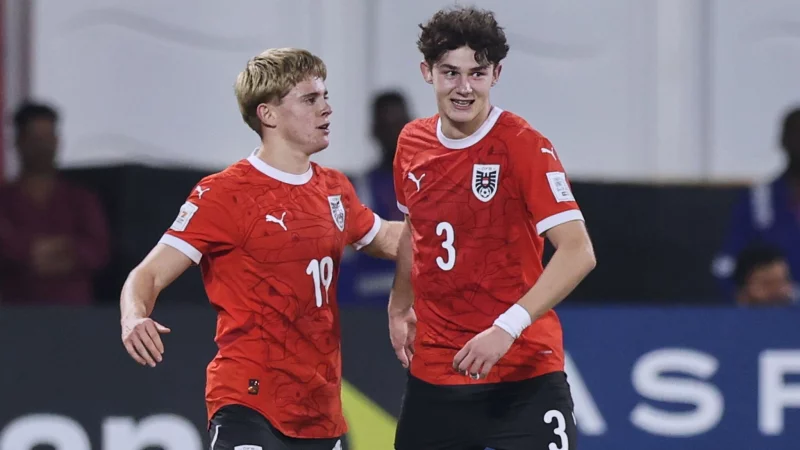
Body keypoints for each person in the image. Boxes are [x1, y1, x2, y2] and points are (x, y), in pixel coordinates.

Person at [119, 48, 402, 450]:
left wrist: (460, 231)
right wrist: (133, 317)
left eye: (325, 97)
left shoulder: (335, 188)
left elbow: (388, 238)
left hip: (320, 410)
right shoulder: (224, 193)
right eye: (310, 99)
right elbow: (147, 274)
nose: (326, 109)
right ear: (268, 114)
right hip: (248, 401)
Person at [387, 7, 596, 450]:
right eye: (451, 72)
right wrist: (400, 303)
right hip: (437, 376)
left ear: (496, 74)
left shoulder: (523, 145)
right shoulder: (411, 143)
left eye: (477, 73)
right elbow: (413, 229)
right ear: (427, 72)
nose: (464, 88)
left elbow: (578, 251)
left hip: (523, 375)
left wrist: (506, 328)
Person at [0, 101, 110, 305]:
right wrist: (38, 250)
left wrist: (50, 252)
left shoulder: (81, 198)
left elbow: (98, 250)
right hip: (14, 312)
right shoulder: (5, 199)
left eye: (48, 137)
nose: (43, 147)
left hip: (73, 312)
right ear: (19, 141)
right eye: (35, 139)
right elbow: (6, 247)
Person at [713, 107, 800, 298]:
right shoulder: (758, 198)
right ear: (783, 140)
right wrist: (747, 292)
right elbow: (726, 265)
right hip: (770, 310)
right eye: (796, 134)